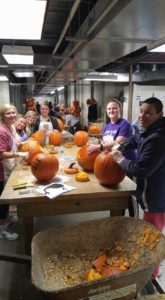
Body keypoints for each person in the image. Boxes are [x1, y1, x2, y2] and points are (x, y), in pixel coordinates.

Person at [111, 97, 165, 280]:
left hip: (158, 197)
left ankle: (151, 275)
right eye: (141, 111)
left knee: (151, 239)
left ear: (160, 114)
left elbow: (141, 170)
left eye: (148, 113)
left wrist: (120, 160)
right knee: (149, 234)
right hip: (154, 194)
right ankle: (150, 269)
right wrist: (119, 146)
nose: (142, 116)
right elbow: (134, 139)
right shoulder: (150, 130)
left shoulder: (158, 138)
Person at [87, 99, 136, 217]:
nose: (111, 110)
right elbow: (105, 144)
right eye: (109, 109)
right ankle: (117, 216)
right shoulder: (107, 126)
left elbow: (118, 142)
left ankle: (129, 217)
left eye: (114, 108)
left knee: (125, 193)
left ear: (119, 110)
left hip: (125, 162)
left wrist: (99, 146)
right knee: (115, 192)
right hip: (112, 162)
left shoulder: (125, 124)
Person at [0, 104, 28, 240]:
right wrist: (18, 155)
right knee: (2, 199)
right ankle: (2, 229)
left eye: (13, 113)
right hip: (3, 168)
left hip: (11, 166)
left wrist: (25, 144)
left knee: (7, 198)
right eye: (8, 113)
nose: (11, 115)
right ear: (2, 115)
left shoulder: (10, 128)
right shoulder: (1, 131)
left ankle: (8, 217)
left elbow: (16, 143)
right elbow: (1, 154)